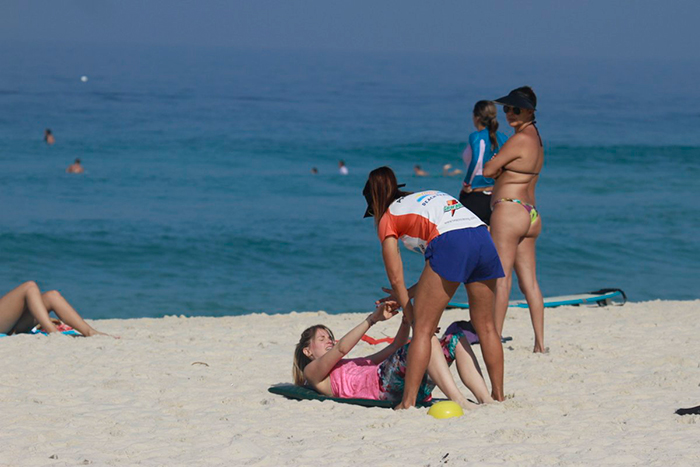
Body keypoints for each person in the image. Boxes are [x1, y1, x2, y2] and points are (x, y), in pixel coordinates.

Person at [362, 166, 505, 409]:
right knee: (487, 326)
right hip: (482, 237)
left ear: (375, 204)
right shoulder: (425, 197)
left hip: (451, 241)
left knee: (423, 331)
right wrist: (407, 295)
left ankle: (407, 403)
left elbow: (396, 279)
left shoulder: (387, 218)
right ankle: (498, 396)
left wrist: (409, 313)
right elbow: (436, 276)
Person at [293, 301, 493, 408]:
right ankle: (458, 399)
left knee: (454, 337)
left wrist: (405, 322)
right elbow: (341, 349)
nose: (329, 340)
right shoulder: (312, 372)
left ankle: (485, 399)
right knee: (425, 337)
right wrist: (372, 319)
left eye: (329, 336)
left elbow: (394, 347)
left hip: (407, 384)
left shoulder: (349, 365)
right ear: (307, 351)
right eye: (322, 339)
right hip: (383, 385)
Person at [483, 86, 545, 353]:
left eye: (515, 109)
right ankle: (540, 343)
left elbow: (487, 170)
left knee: (502, 278)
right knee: (529, 281)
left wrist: (499, 167)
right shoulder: (537, 140)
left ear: (530, 111)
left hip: (509, 211)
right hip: (530, 213)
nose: (509, 113)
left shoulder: (518, 139)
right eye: (506, 108)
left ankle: (494, 336)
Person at [459, 101, 509, 225]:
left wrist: (467, 183)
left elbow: (477, 160)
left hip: (476, 196)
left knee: (469, 240)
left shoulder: (476, 136)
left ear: (476, 117)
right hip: (496, 197)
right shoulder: (503, 138)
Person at [0, 281, 112, 337]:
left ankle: (90, 332)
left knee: (52, 296)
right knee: (30, 286)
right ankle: (52, 331)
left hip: (10, 326)